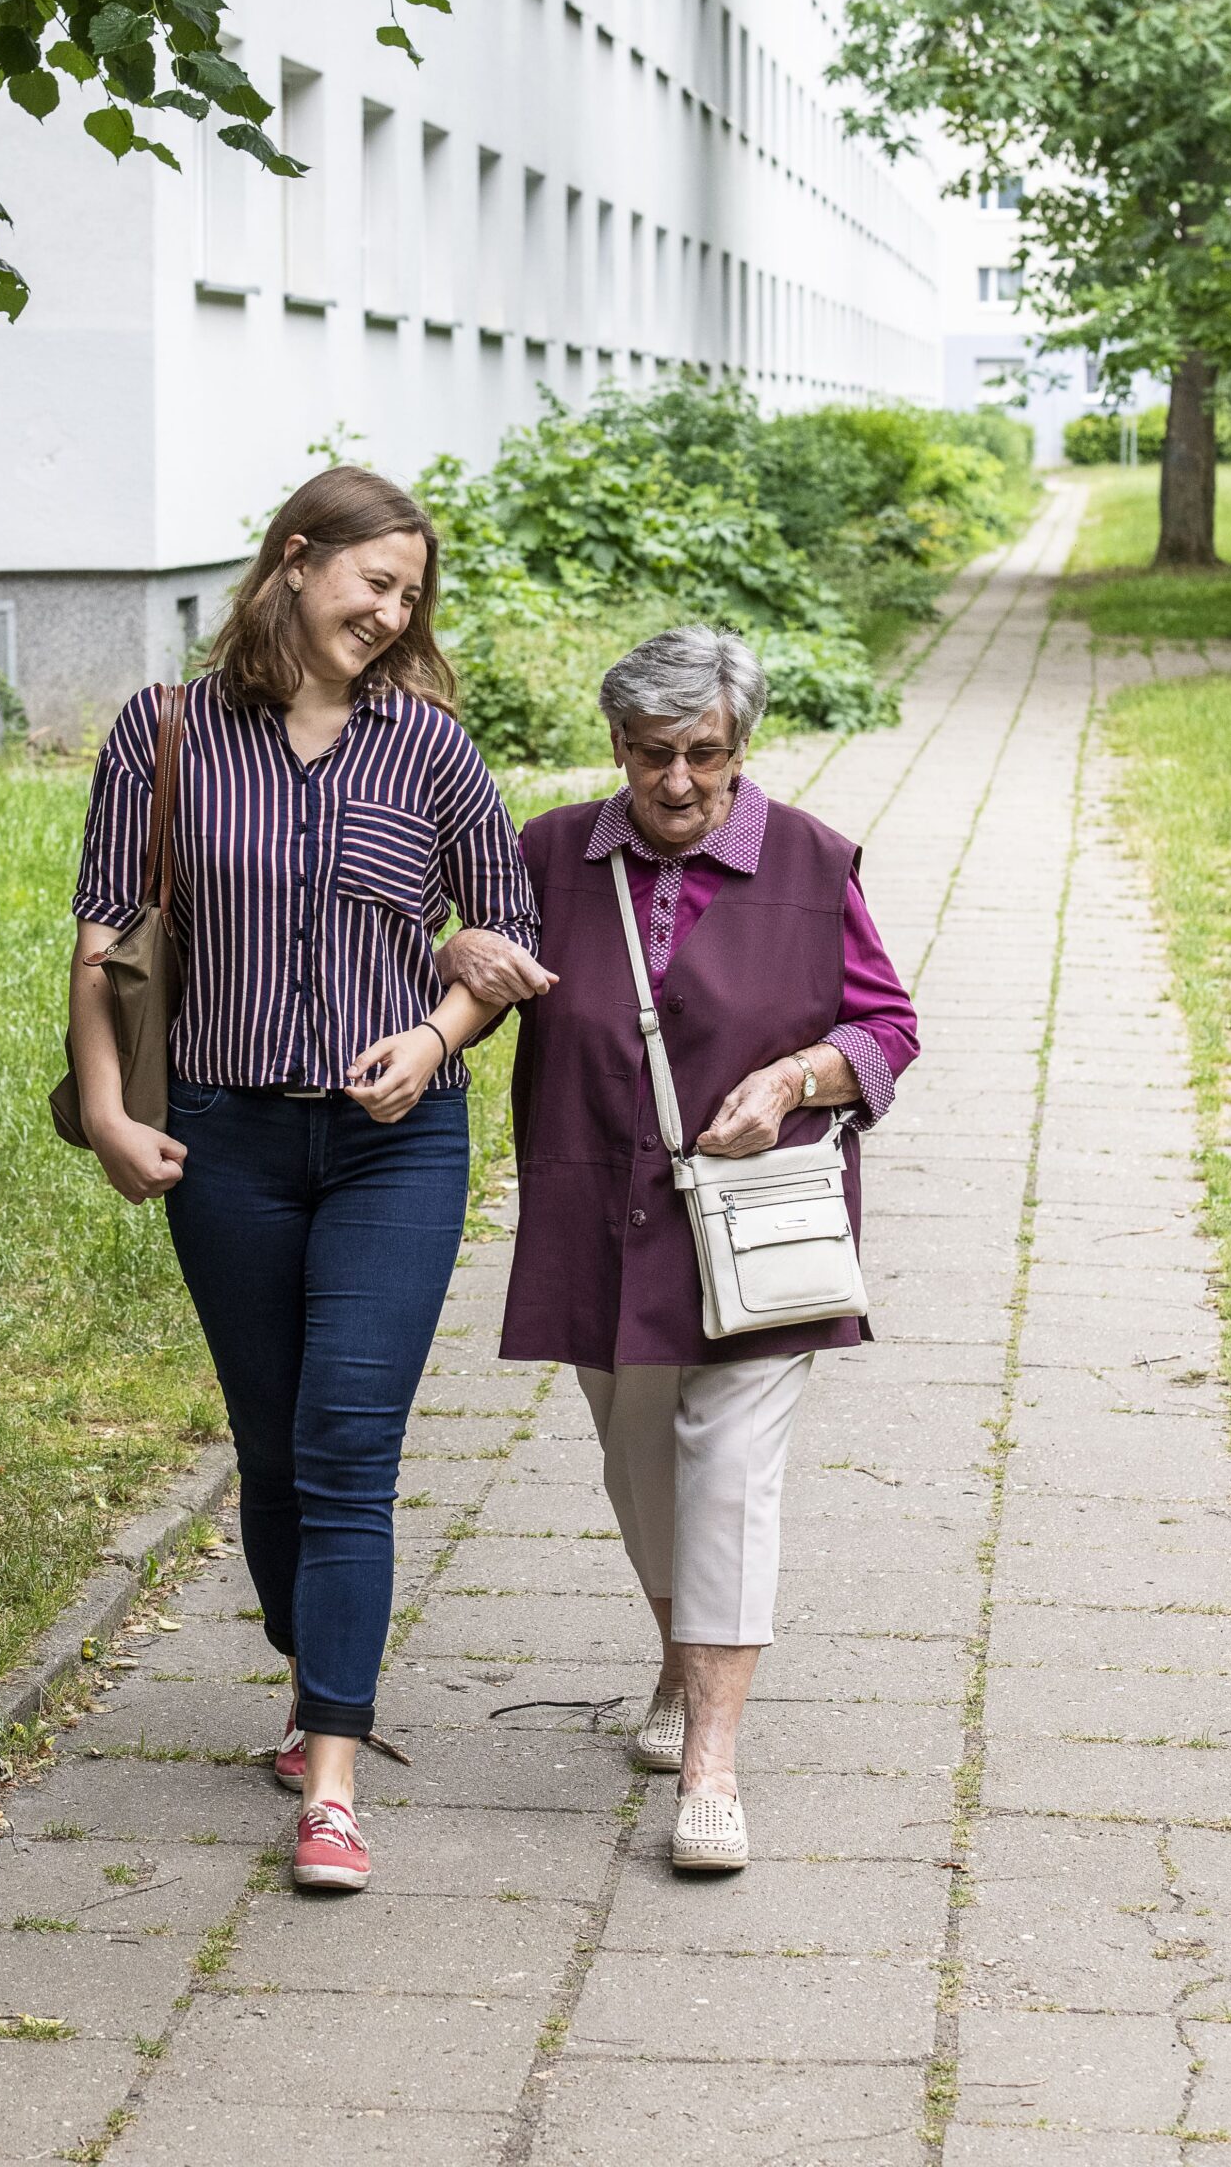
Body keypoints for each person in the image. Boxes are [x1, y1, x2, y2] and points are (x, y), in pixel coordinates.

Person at [69, 467, 537, 1894]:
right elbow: (105, 937)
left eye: (410, 596)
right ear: (293, 562)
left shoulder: (432, 751)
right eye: (372, 585)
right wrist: (103, 1114)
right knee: (270, 1447)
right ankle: (313, 1663)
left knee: (347, 1450)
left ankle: (330, 1772)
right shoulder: (160, 734)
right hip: (224, 1138)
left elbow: (503, 929)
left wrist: (439, 1027)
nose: (390, 616)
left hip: (397, 1143)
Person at [439, 625, 918, 1873]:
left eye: (703, 754)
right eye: (651, 754)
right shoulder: (546, 851)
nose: (676, 782)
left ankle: (711, 1763)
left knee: (730, 1468)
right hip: (599, 1209)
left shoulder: (812, 863)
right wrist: (455, 953)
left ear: (738, 746)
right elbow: (478, 986)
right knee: (638, 1463)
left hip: (760, 1222)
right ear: (614, 745)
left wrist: (797, 1076)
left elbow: (884, 1028)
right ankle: (674, 1655)